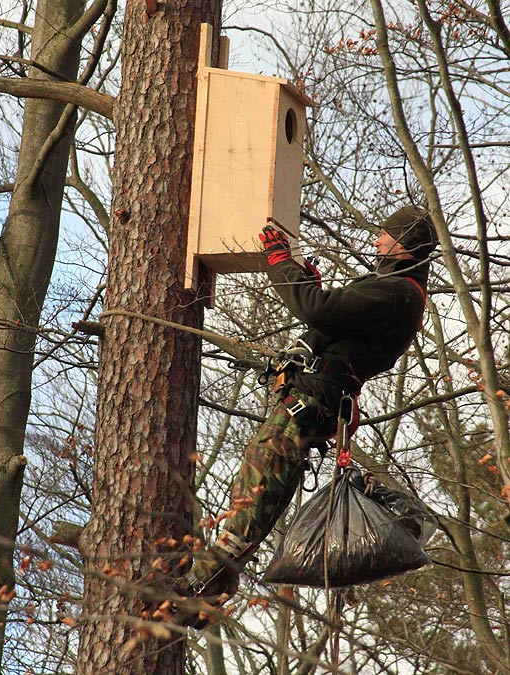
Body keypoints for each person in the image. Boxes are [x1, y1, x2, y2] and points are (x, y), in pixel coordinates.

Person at [167, 205, 438, 627]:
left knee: (252, 500)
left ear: (405, 246)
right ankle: (208, 589)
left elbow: (317, 310)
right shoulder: (390, 291)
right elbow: (330, 321)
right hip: (307, 406)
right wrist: (310, 288)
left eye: (385, 235)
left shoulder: (397, 292)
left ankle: (196, 589)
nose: (377, 241)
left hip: (307, 410)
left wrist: (281, 264)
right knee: (253, 494)